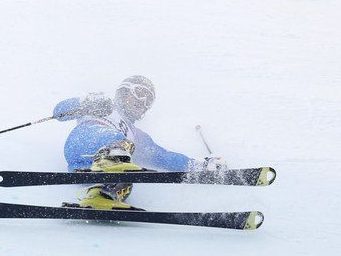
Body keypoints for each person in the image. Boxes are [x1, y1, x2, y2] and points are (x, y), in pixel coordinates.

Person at [53, 75, 225, 209]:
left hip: (83, 168)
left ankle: (101, 196)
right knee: (123, 145)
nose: (142, 102)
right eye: (139, 93)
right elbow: (59, 112)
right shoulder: (105, 106)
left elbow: (162, 156)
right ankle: (109, 160)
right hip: (84, 139)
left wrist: (197, 165)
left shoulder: (137, 135)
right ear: (123, 92)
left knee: (125, 180)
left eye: (148, 100)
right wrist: (86, 102)